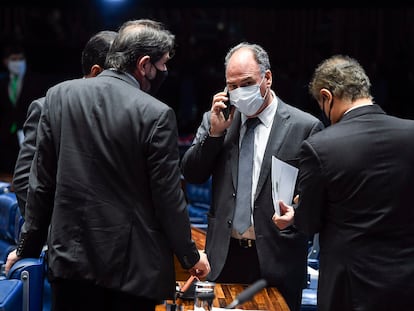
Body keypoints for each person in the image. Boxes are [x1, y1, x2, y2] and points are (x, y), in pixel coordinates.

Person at [6, 19, 210, 311]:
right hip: (131, 273)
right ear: (143, 64)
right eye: (162, 64)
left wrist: (25, 250)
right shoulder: (156, 114)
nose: (165, 71)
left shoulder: (59, 96)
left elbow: (40, 187)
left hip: (70, 265)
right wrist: (190, 257)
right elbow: (168, 200)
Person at [180, 42, 324, 311]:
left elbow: (315, 198)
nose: (238, 93)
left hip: (277, 257)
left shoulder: (305, 127)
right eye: (231, 86)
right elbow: (192, 174)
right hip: (224, 255)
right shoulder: (217, 121)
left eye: (246, 83)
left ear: (267, 78)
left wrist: (296, 213)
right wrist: (213, 134)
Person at [276, 54, 414, 311]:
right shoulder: (411, 133)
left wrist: (299, 209)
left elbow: (308, 223)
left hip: (349, 290)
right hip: (406, 285)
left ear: (327, 97)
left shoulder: (321, 147)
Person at [12, 30, 117, 215]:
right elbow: (24, 181)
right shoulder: (46, 108)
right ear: (96, 72)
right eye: (119, 77)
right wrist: (53, 230)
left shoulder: (126, 113)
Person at [0, 41, 51, 175]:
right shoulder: (2, 82)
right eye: (14, 59)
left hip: (29, 134)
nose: (18, 62)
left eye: (21, 59)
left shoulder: (36, 82)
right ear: (6, 62)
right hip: (6, 138)